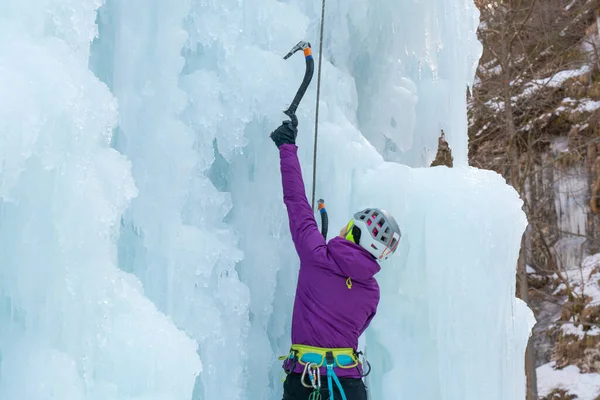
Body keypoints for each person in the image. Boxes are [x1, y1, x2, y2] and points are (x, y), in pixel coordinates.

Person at [270, 120, 402, 400]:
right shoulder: (371, 293)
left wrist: (287, 147)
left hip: (306, 383)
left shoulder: (316, 255)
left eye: (349, 227)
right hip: (350, 387)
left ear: (355, 232)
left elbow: (296, 201)